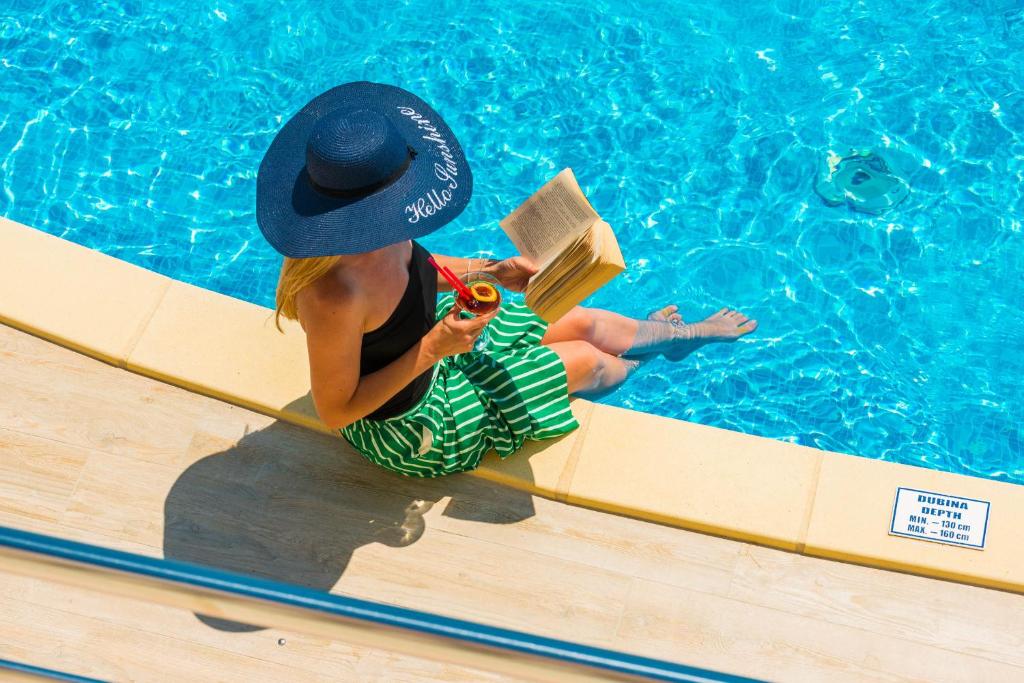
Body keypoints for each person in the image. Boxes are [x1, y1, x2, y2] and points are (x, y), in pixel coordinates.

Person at [256, 81, 756, 478]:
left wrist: (493, 270)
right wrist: (433, 348)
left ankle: (675, 339)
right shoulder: (333, 296)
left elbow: (420, 268)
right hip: (413, 421)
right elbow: (337, 411)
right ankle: (642, 363)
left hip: (439, 355)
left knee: (584, 320)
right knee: (589, 363)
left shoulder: (381, 231)